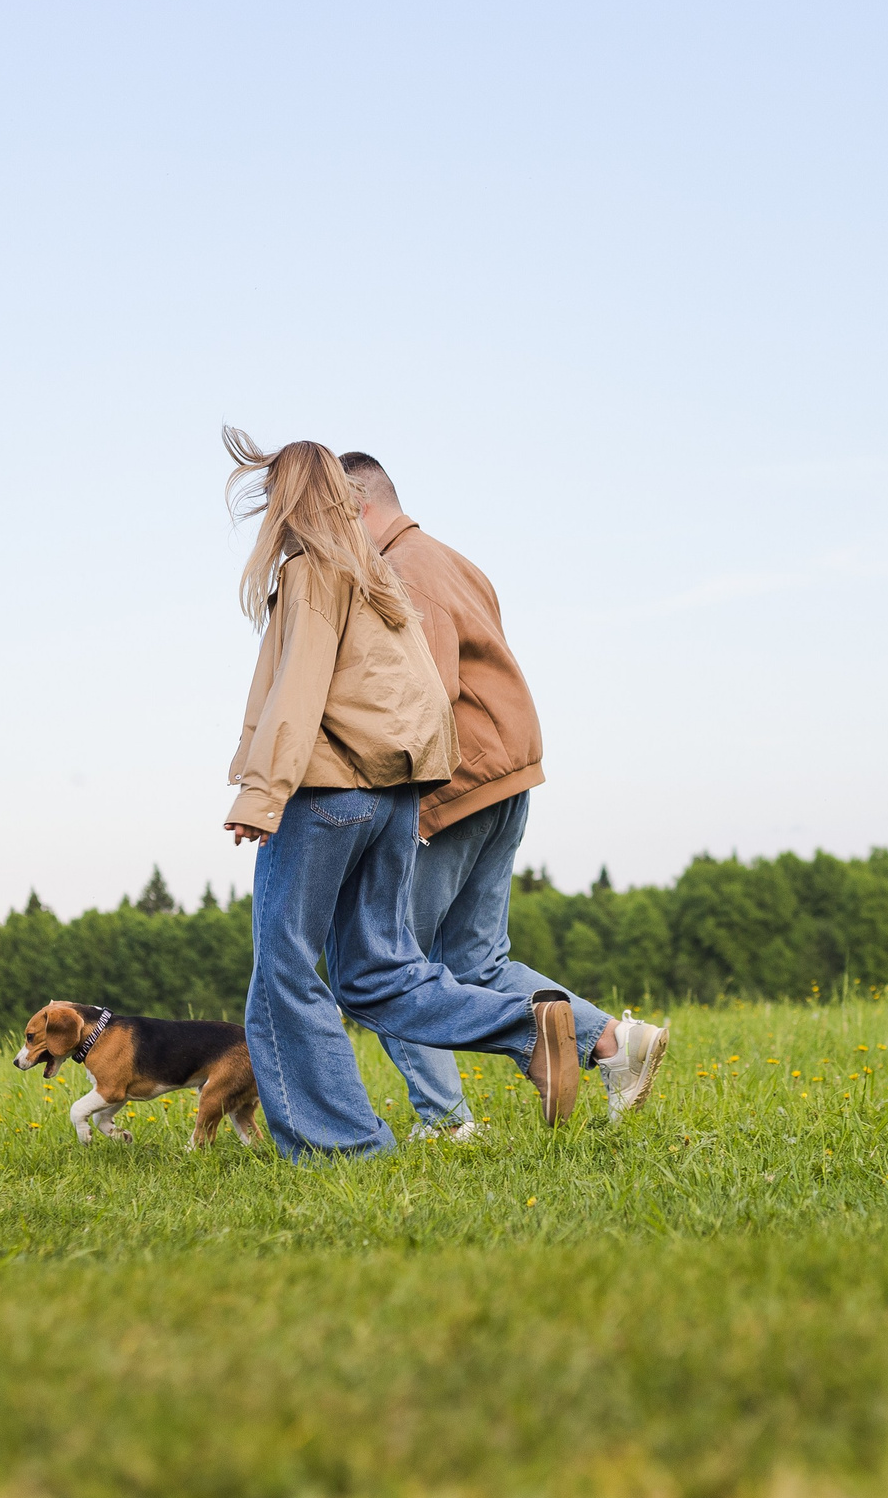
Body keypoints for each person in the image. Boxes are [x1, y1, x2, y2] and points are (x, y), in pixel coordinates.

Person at [220, 429, 579, 1159]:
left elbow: (295, 695)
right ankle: (525, 1026)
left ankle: (344, 1146)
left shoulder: (312, 574)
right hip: (391, 798)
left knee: (285, 968)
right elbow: (425, 699)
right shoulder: (381, 577)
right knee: (379, 974)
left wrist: (262, 794)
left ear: (289, 501)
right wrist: (414, 792)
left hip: (324, 795)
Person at [338, 451, 669, 1131]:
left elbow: (424, 696)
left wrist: (407, 804)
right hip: (505, 776)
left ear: (358, 507)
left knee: (389, 966)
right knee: (475, 961)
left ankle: (446, 1120)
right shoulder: (453, 560)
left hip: (451, 783)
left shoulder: (401, 572)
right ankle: (613, 1042)